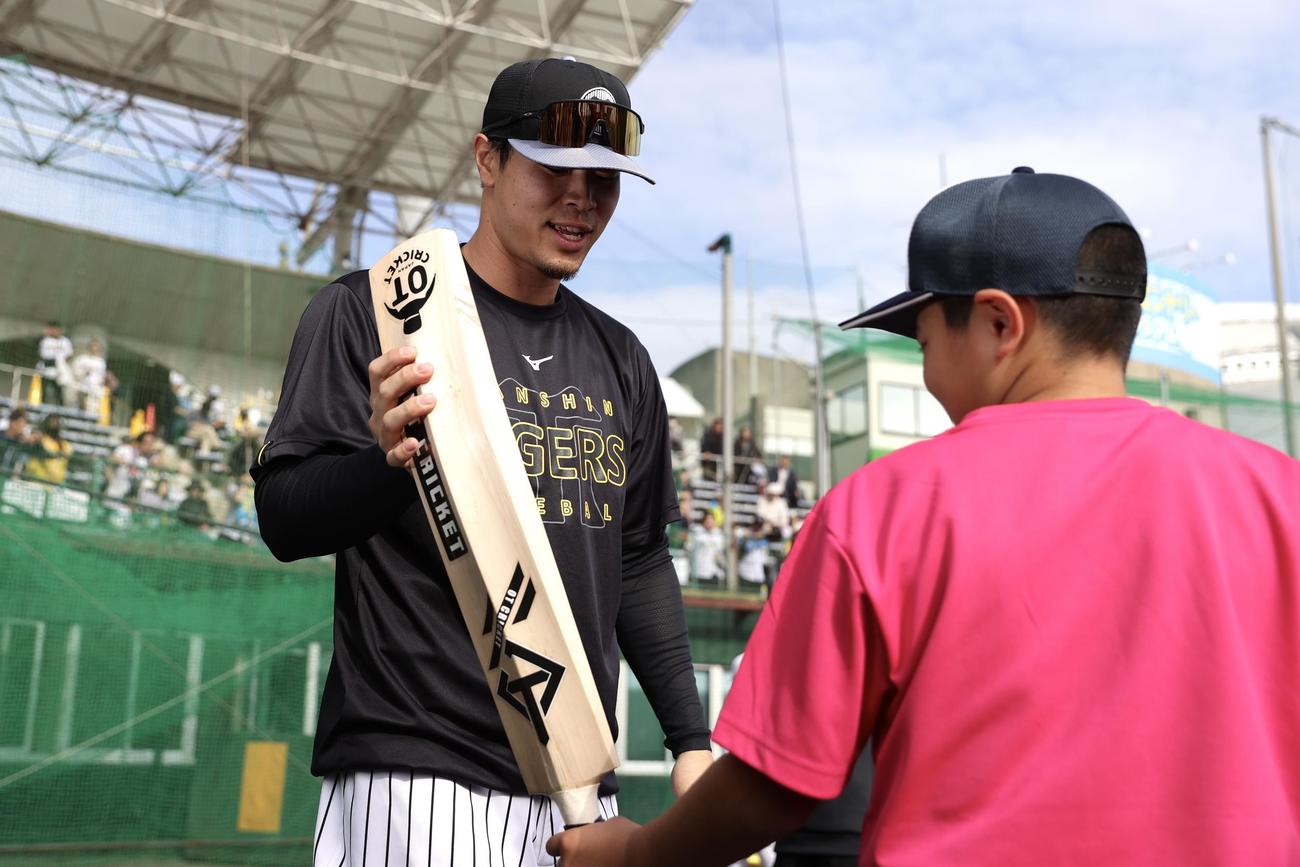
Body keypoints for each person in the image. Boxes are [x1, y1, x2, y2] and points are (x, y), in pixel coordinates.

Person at [547, 168, 1300, 865]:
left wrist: (637, 855)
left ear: (1000, 325)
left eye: (926, 337)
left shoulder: (884, 506)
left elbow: (775, 783)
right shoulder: (1280, 492)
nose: (929, 366)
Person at [251, 57, 712, 867]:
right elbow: (284, 518)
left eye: (604, 178)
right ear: (487, 159)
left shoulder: (622, 358)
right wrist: (389, 460)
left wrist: (690, 739)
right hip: (416, 769)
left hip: (578, 783)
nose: (583, 197)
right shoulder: (376, 312)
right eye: (555, 168)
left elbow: (638, 558)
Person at [24, 414, 73, 485]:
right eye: (52, 421)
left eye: (57, 422)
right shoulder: (40, 439)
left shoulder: (65, 445)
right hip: (36, 482)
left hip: (55, 484)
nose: (54, 424)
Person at [35, 321, 73, 407]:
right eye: (52, 329)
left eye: (55, 329)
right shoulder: (45, 341)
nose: (54, 331)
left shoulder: (65, 341)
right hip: (47, 369)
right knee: (44, 391)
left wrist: (61, 362)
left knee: (59, 393)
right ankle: (42, 407)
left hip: (60, 371)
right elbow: (43, 355)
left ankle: (60, 410)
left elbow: (69, 355)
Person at [688, 511, 725, 585]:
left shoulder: (719, 535)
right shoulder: (696, 532)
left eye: (711, 520)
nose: (709, 522)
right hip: (697, 572)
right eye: (707, 520)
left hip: (712, 573)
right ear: (703, 521)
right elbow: (689, 549)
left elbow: (720, 553)